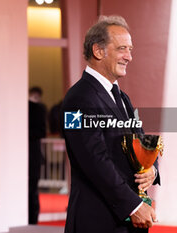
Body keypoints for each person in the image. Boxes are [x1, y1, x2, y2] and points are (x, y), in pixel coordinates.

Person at [61, 15, 160, 233]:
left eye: (131, 49)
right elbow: (94, 161)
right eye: (122, 49)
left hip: (125, 220)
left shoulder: (122, 97)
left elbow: (142, 143)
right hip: (98, 221)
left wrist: (152, 169)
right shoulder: (78, 98)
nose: (129, 57)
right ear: (98, 51)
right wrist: (134, 207)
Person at [28, 86, 47, 224]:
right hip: (30, 156)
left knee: (32, 189)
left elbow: (42, 131)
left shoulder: (39, 109)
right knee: (32, 189)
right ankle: (32, 218)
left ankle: (33, 219)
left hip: (33, 156)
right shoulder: (40, 109)